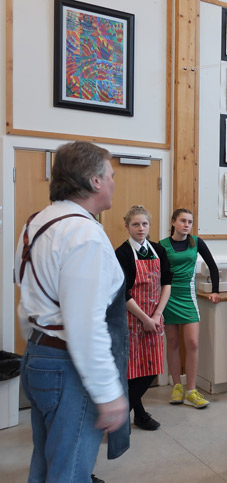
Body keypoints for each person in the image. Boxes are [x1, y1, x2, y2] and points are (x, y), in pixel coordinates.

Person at [15, 141, 129, 481]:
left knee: (47, 463)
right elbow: (85, 326)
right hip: (69, 367)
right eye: (110, 175)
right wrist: (108, 394)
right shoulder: (85, 235)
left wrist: (38, 343)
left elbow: (25, 292)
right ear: (94, 181)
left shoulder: (37, 223)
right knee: (69, 472)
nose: (113, 182)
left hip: (39, 354)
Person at [115, 205, 172, 431]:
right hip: (131, 318)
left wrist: (156, 314)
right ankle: (132, 416)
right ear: (127, 226)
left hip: (155, 317)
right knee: (133, 370)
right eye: (136, 224)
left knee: (152, 367)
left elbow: (167, 282)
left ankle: (125, 415)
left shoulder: (159, 250)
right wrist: (144, 318)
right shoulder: (122, 253)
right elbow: (123, 292)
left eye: (145, 224)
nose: (141, 228)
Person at [160, 209, 220, 409]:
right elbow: (157, 274)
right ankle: (177, 386)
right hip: (168, 297)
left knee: (192, 343)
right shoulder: (162, 245)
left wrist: (215, 291)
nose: (186, 225)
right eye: (183, 221)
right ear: (173, 222)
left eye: (190, 222)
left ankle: (192, 390)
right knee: (173, 342)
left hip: (188, 297)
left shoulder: (196, 242)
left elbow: (212, 265)